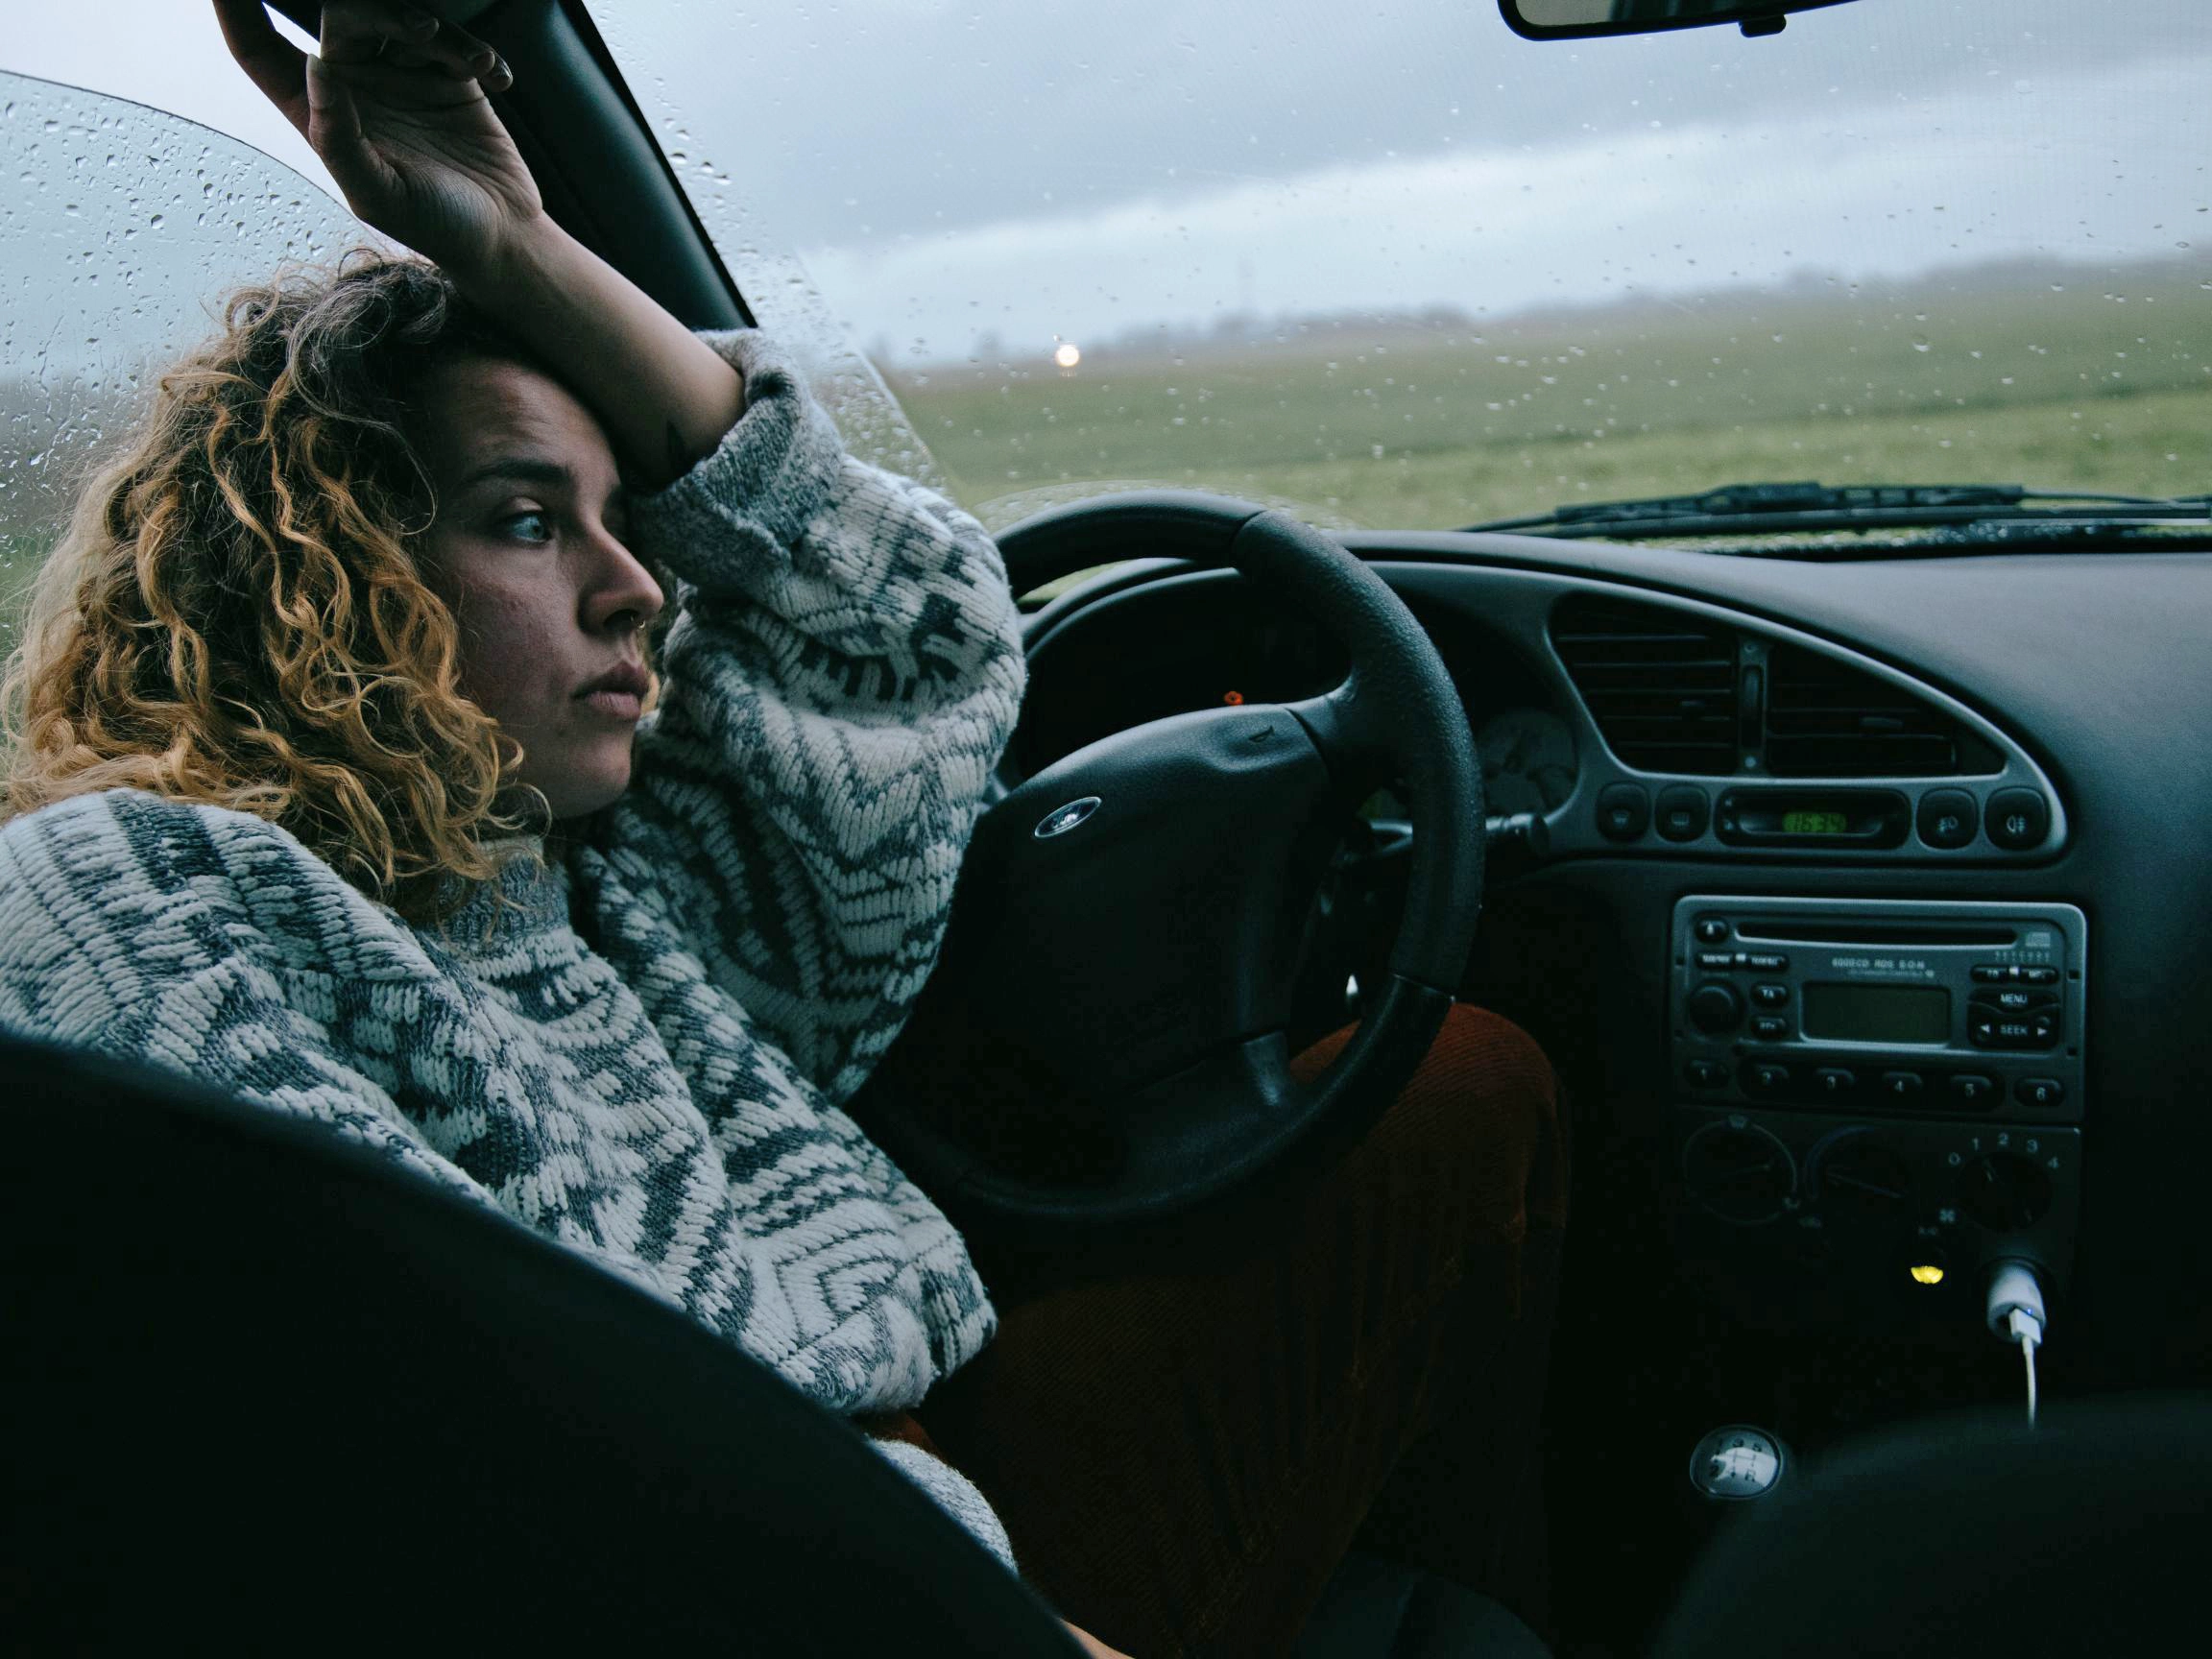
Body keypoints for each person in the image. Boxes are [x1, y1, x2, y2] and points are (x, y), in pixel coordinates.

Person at [0, 5, 1565, 1653]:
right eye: (529, 520)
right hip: (772, 1571)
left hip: (897, 1490)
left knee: (1460, 1088)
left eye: (628, 517)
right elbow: (447, 1470)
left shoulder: (596, 876)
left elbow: (917, 638)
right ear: (315, 573)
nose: (640, 588)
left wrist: (517, 244)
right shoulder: (142, 898)